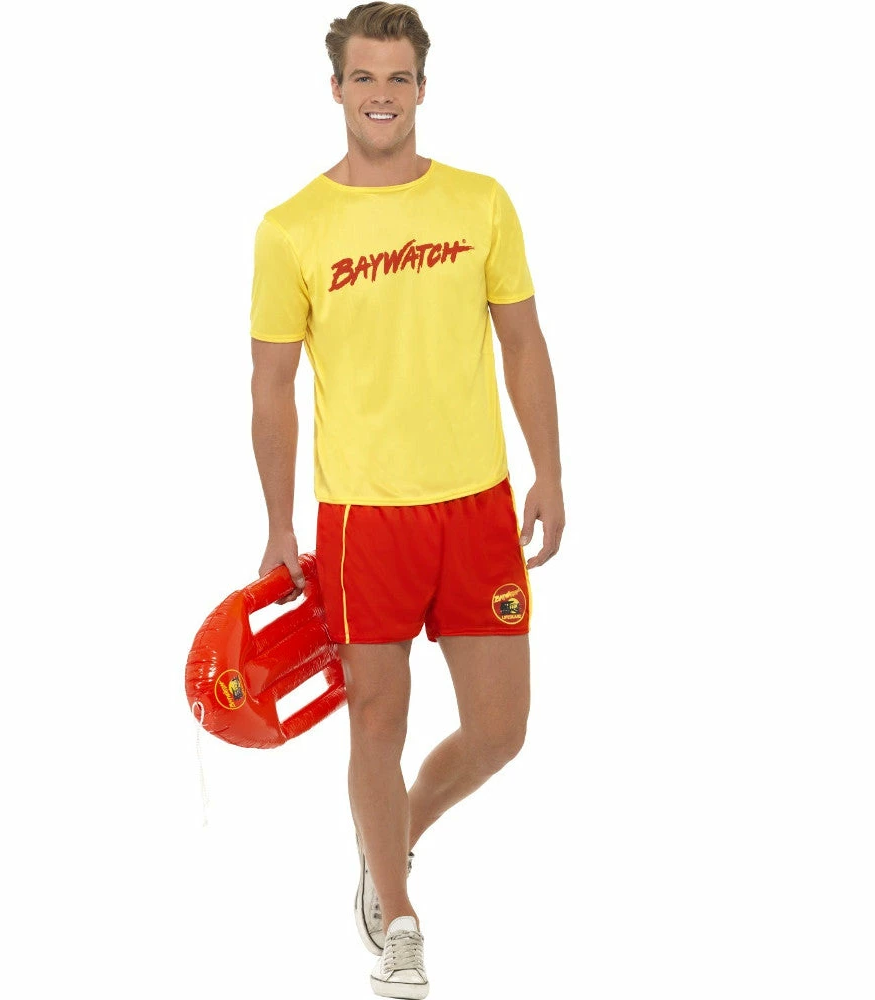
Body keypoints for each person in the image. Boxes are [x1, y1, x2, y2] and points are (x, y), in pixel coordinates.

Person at [249, 4, 564, 996]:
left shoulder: (480, 202)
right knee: (376, 724)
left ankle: (391, 836)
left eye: (397, 77)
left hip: (476, 507)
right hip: (362, 518)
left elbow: (523, 342)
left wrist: (550, 471)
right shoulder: (292, 227)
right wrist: (278, 524)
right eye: (363, 77)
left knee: (501, 730)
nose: (380, 94)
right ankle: (398, 919)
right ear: (335, 88)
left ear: (422, 87)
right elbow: (270, 387)